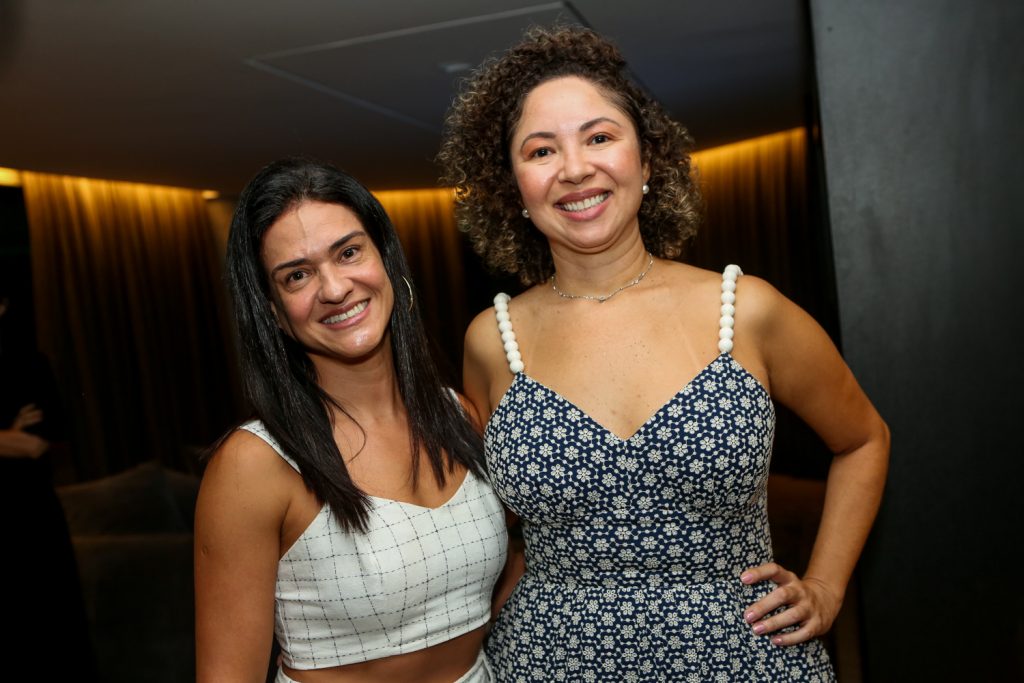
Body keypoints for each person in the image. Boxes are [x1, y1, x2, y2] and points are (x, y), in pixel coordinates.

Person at [439, 26, 890, 681]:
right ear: (514, 189)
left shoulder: (746, 309)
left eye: (599, 136)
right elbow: (491, 525)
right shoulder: (492, 338)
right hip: (549, 662)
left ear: (647, 161)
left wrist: (826, 584)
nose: (574, 167)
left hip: (743, 659)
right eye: (540, 150)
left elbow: (863, 439)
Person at [194, 158, 509, 683]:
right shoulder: (255, 465)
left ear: (385, 259)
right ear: (272, 310)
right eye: (297, 275)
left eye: (348, 252)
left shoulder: (462, 415)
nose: (335, 288)